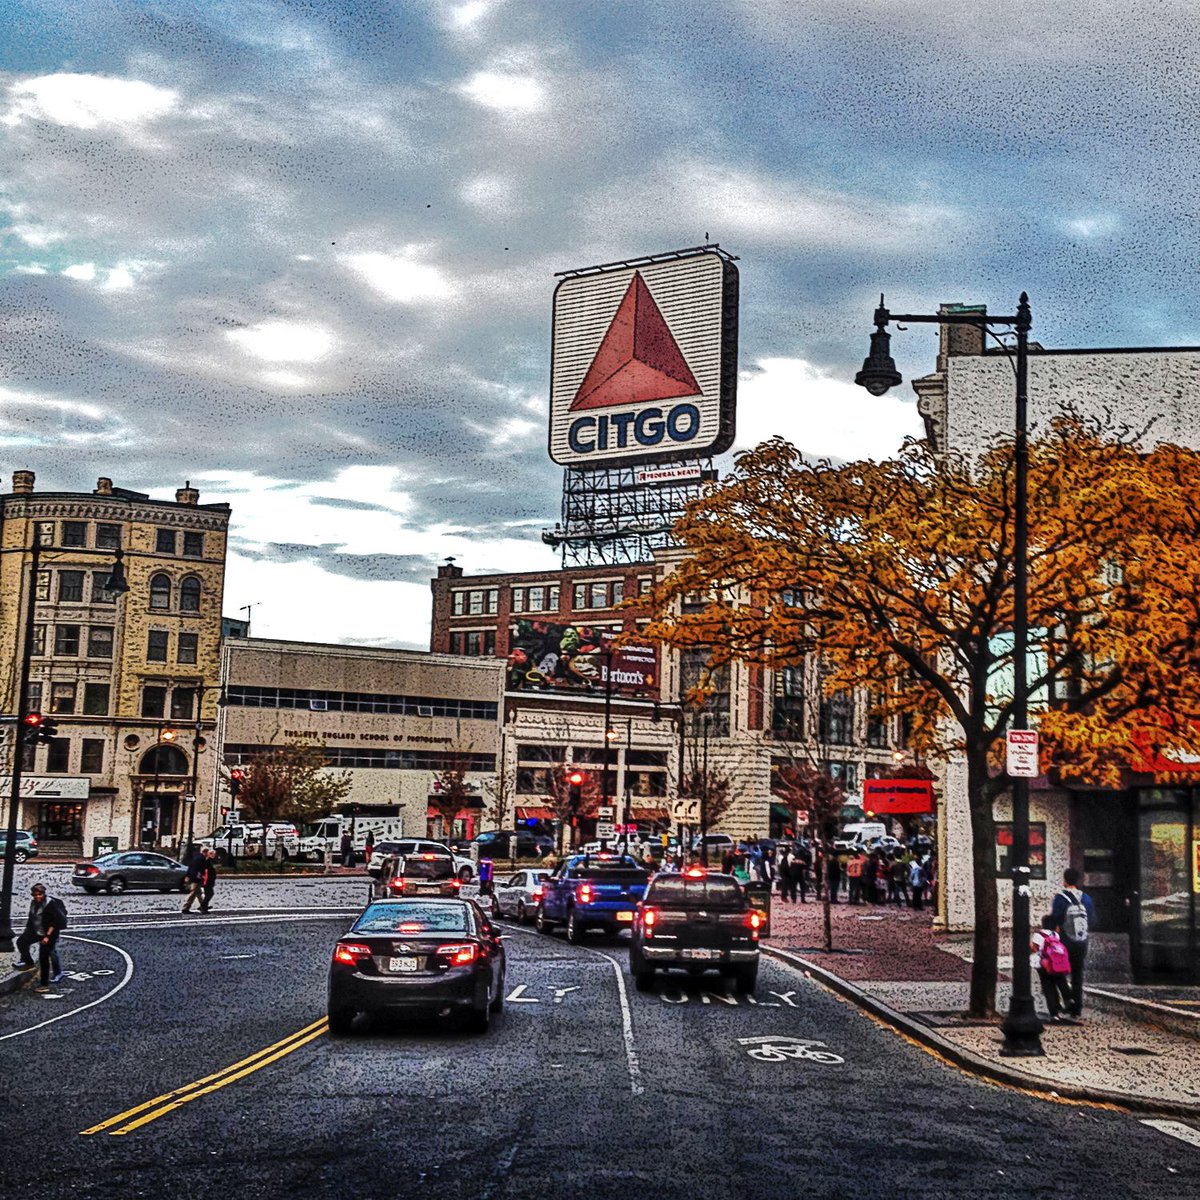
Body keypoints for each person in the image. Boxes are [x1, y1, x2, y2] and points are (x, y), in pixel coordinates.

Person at [1049, 867, 1095, 1019]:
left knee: (1057, 970)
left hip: (1065, 941)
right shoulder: (1086, 898)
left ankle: (1068, 998)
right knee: (1077, 974)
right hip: (1081, 941)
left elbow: (1056, 919)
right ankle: (1077, 1008)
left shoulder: (1060, 898)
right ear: (1077, 881)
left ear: (1064, 880)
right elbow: (1093, 920)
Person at [14, 883, 68, 990]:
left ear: (43, 894)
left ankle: (45, 984)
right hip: (37, 930)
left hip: (49, 933)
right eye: (35, 895)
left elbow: (54, 921)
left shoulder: (50, 904)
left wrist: (47, 936)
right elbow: (31, 918)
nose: (38, 897)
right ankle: (29, 963)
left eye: (40, 894)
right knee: (21, 942)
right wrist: (27, 931)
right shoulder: (33, 903)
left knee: (45, 956)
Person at [1032, 911, 1073, 1022]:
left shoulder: (1038, 934)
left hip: (1043, 966)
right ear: (1056, 926)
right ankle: (1068, 998)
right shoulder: (1055, 935)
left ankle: (1054, 1012)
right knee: (1061, 982)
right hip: (1056, 965)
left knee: (1048, 988)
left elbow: (1033, 948)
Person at [181, 845, 207, 913]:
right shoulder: (202, 859)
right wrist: (202, 876)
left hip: (192, 876)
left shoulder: (196, 858)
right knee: (193, 893)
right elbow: (201, 869)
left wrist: (188, 875)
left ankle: (203, 906)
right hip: (196, 878)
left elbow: (190, 867)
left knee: (198, 893)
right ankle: (185, 907)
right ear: (205, 852)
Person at [199, 847, 218, 913]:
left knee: (208, 894)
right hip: (207, 880)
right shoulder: (208, 862)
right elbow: (206, 872)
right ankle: (203, 906)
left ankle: (204, 906)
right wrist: (205, 880)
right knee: (209, 894)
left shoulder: (210, 861)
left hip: (209, 880)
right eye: (212, 854)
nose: (214, 855)